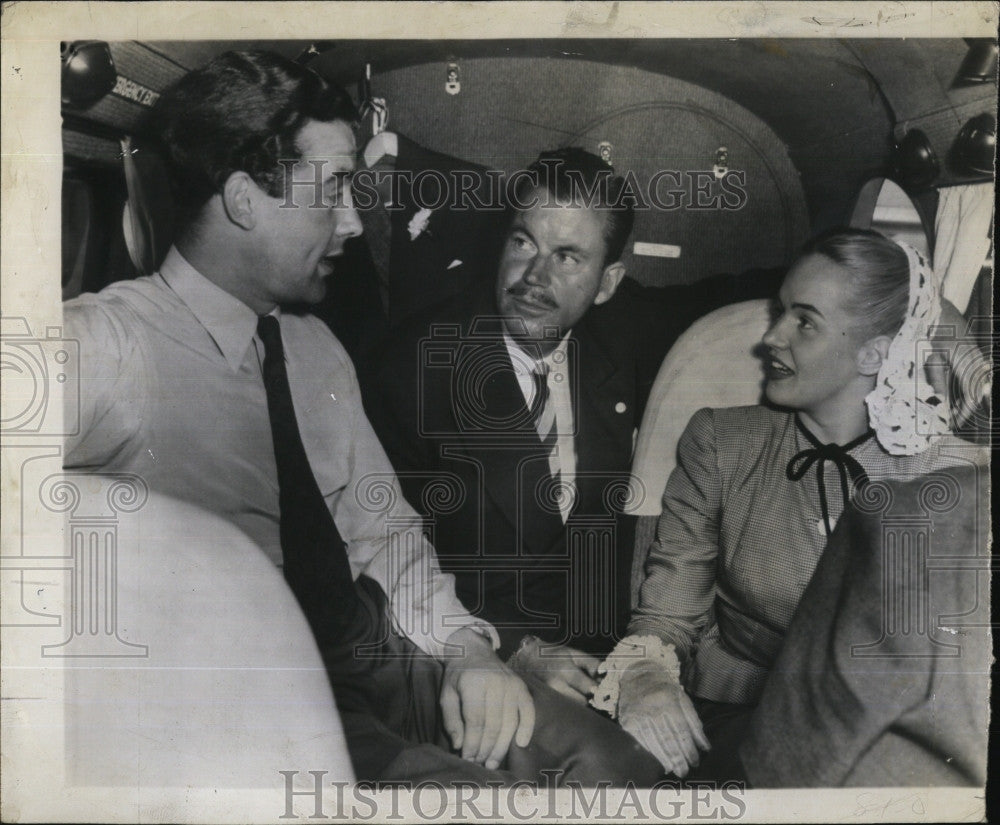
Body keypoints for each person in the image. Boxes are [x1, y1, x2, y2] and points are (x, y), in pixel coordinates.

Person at [62, 50, 658, 785]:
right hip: (256, 697)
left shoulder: (316, 350)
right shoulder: (108, 343)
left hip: (376, 657)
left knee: (611, 763)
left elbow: (383, 528)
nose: (352, 221)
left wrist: (468, 647)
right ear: (247, 199)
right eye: (336, 187)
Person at [361, 148, 784, 705]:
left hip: (606, 653)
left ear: (607, 283)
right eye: (522, 242)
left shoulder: (621, 328)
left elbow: (722, 295)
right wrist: (515, 647)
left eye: (567, 258)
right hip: (473, 661)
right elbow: (381, 548)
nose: (533, 277)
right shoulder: (413, 369)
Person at [591, 228, 987, 778]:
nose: (771, 337)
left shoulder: (951, 477)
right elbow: (667, 615)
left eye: (804, 321)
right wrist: (646, 677)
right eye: (780, 311)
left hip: (882, 742)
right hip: (731, 720)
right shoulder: (721, 442)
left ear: (875, 351)